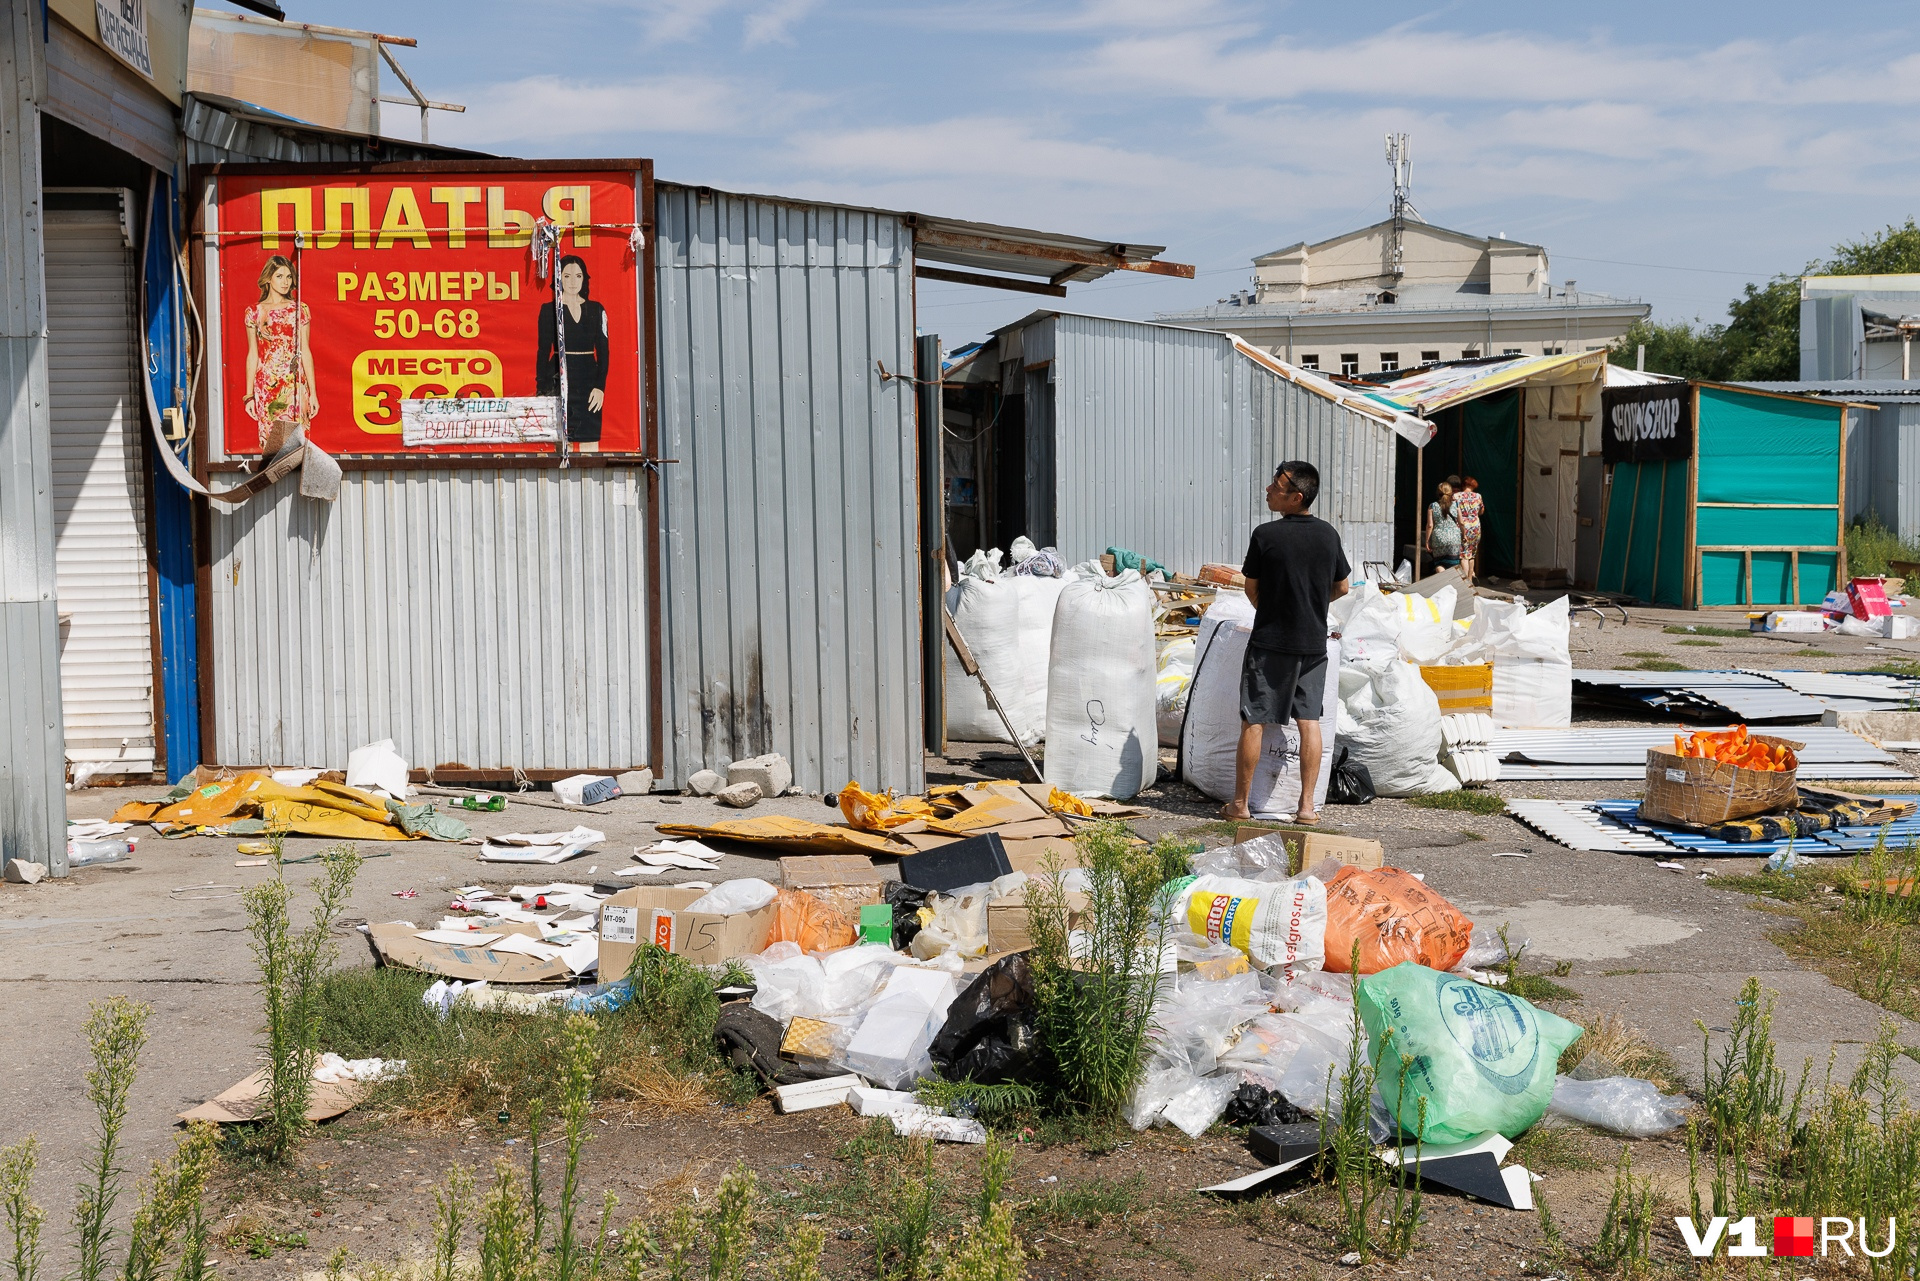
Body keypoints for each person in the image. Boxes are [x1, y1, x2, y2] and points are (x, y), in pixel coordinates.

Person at [1223, 460, 1351, 823]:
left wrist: (1278, 608)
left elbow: (1251, 588)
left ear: (1296, 497)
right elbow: (1342, 586)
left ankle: (1240, 805)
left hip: (1269, 644)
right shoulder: (1328, 535)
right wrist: (1309, 605)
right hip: (1313, 644)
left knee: (1254, 720)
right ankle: (1307, 809)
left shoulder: (1266, 535)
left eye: (1276, 487)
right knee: (1309, 721)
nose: (1267, 489)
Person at [536, 254, 611, 445]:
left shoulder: (597, 309)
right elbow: (543, 351)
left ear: (584, 279)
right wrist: (541, 389)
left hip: (588, 381)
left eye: (578, 276)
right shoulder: (548, 310)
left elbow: (603, 351)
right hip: (558, 379)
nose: (572, 282)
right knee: (559, 441)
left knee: (590, 440)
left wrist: (600, 386)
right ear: (559, 278)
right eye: (566, 276)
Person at [243, 255, 316, 450]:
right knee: (271, 443)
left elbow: (306, 351)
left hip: (295, 384)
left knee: (298, 442)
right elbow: (252, 354)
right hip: (267, 385)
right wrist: (248, 395)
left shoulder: (300, 309)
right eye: (279, 276)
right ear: (268, 278)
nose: (285, 282)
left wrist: (313, 393)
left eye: (289, 277)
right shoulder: (254, 312)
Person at [1453, 473, 1485, 580]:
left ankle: (1466, 579)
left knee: (1463, 555)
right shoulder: (1478, 496)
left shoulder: (1457, 496)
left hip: (1463, 527)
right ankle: (1471, 576)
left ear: (1463, 485)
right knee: (1472, 554)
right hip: (1475, 526)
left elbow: (1453, 511)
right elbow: (1481, 511)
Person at [1425, 481, 1463, 571]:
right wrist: (1464, 535)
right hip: (1454, 538)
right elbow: (1461, 522)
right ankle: (1452, 584)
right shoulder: (1456, 505)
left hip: (1438, 538)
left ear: (1438, 493)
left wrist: (1427, 541)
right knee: (1453, 566)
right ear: (1451, 492)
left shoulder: (1432, 506)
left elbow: (1430, 525)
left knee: (1439, 564)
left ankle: (1443, 582)